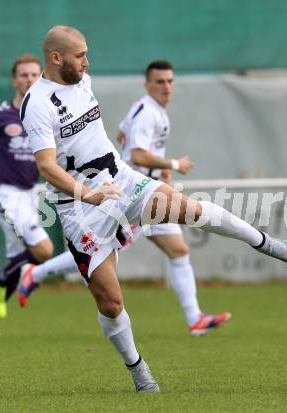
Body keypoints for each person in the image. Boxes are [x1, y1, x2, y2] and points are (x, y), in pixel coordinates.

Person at [21, 25, 287, 393]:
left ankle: (273, 246)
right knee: (110, 304)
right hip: (80, 208)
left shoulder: (82, 80)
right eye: (80, 55)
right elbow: (47, 166)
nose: (87, 61)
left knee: (192, 211)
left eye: (86, 54)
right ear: (56, 57)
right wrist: (87, 194)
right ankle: (138, 369)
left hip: (121, 179)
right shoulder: (37, 104)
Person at [18, 60, 231, 336]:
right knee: (102, 251)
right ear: (147, 84)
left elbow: (123, 133)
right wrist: (173, 165)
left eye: (170, 81)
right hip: (132, 194)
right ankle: (35, 273)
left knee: (178, 250)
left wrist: (156, 169)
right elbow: (139, 154)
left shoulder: (150, 111)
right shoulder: (148, 113)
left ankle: (195, 318)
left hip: (147, 187)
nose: (166, 87)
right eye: (160, 82)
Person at [0, 54, 54, 339]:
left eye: (34, 74)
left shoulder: (43, 113)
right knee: (43, 250)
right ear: (14, 80)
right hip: (4, 193)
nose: (29, 79)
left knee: (23, 263)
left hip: (29, 194)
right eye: (24, 75)